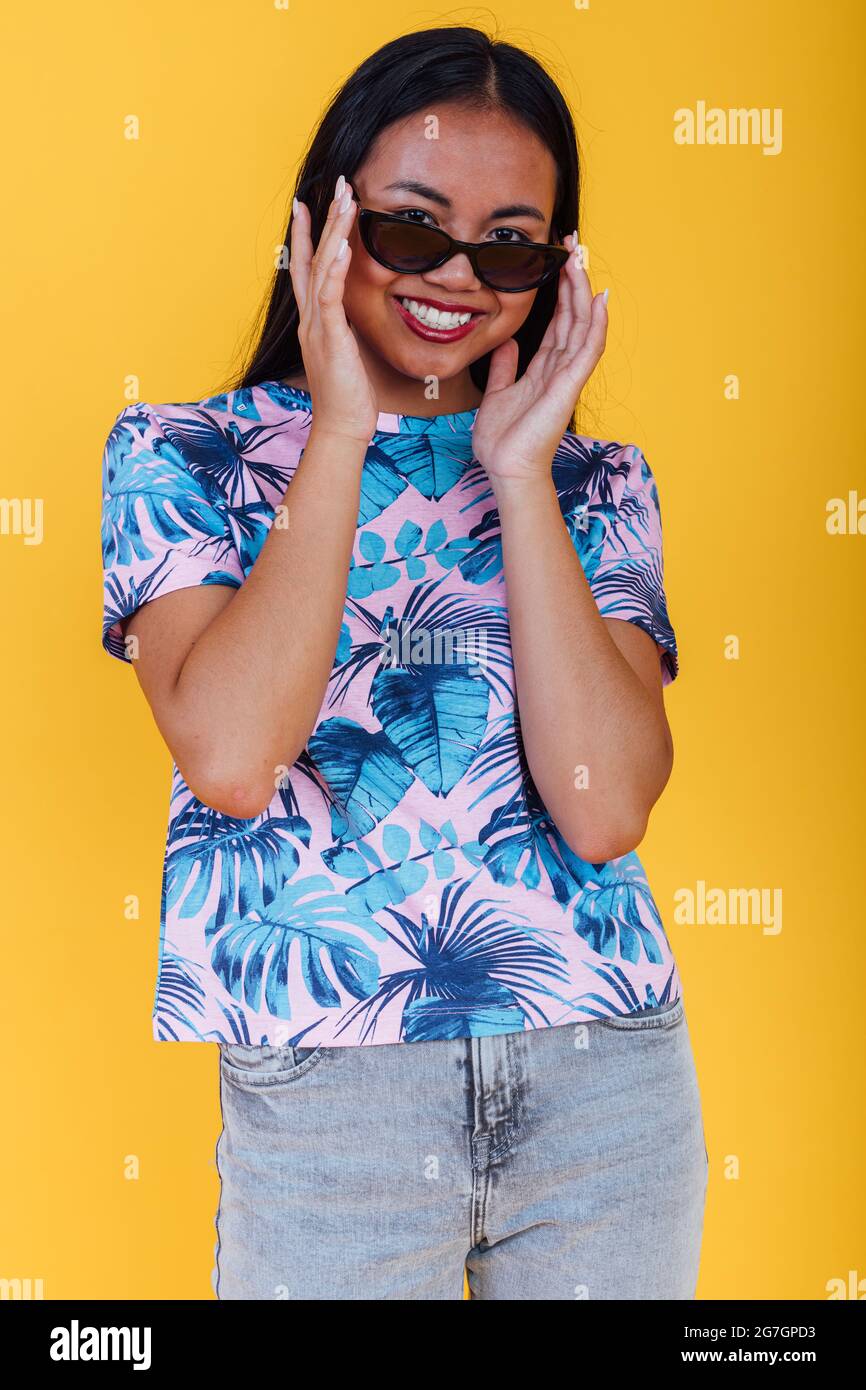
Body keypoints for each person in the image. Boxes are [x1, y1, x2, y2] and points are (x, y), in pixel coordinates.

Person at [100, 25, 708, 1300]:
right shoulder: (183, 456)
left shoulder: (596, 487)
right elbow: (228, 755)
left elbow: (602, 806)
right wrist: (336, 433)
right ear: (323, 225)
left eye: (508, 243)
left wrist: (521, 474)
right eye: (411, 230)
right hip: (332, 1099)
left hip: (605, 1076)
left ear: (551, 267)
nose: (457, 276)